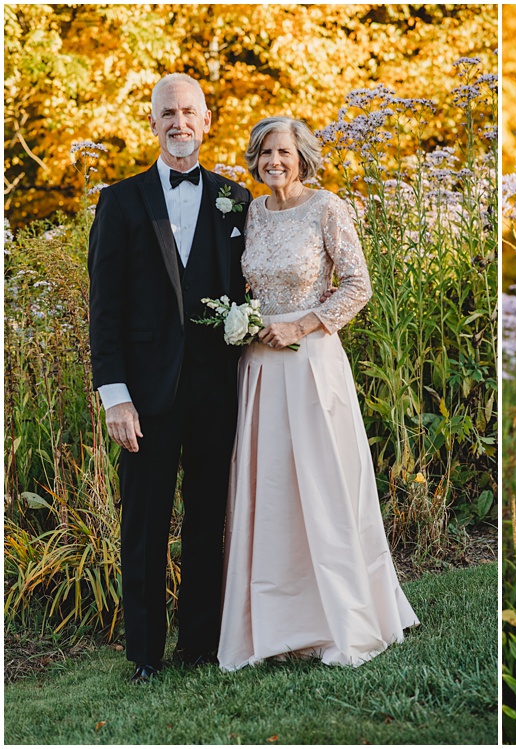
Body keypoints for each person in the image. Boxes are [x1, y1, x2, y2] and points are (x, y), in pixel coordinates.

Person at [217, 116, 418, 670]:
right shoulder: (252, 213)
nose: (273, 162)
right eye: (263, 153)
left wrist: (300, 326)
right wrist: (248, 320)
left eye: (282, 151)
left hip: (310, 365)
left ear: (302, 156)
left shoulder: (328, 207)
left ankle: (341, 619)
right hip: (259, 370)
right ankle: (274, 624)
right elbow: (246, 284)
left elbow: (359, 286)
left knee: (323, 488)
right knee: (271, 493)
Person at [88, 73, 252, 682]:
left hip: (216, 390)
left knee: (208, 517)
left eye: (189, 112)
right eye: (167, 113)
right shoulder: (121, 201)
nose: (178, 122)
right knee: (145, 522)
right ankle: (145, 655)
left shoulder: (237, 199)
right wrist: (115, 396)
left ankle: (200, 644)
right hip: (145, 397)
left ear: (207, 120)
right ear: (152, 123)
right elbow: (102, 310)